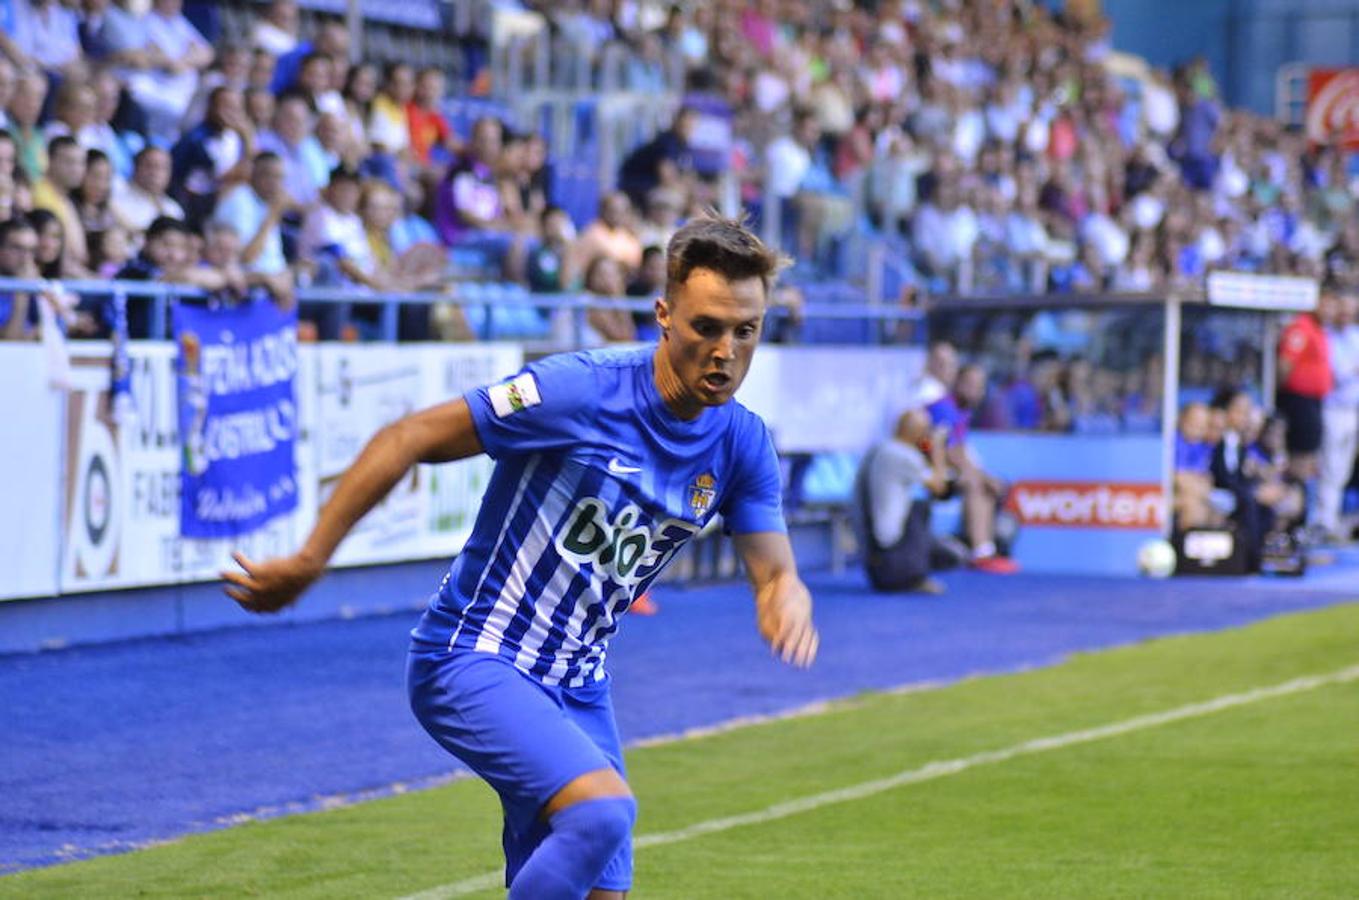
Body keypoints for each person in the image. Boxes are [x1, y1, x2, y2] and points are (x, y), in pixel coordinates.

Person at [222, 215, 819, 899]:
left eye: (745, 331)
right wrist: (311, 558)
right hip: (475, 656)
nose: (725, 351)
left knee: (603, 888)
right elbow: (407, 436)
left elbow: (774, 571)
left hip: (578, 683)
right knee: (601, 812)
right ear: (663, 315)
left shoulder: (742, 443)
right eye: (706, 327)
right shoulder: (579, 391)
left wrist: (784, 597)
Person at [854, 408, 952, 594]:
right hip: (888, 559)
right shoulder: (902, 455)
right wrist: (937, 447)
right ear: (919, 433)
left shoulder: (883, 449)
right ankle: (912, 576)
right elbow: (939, 487)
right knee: (919, 508)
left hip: (874, 553)